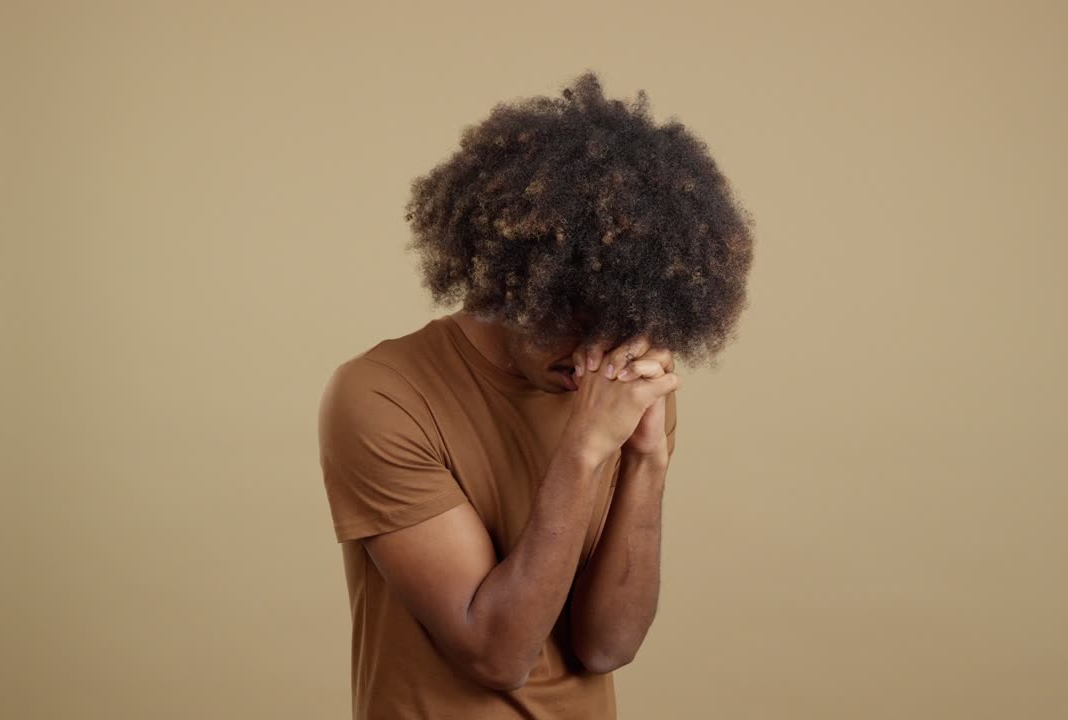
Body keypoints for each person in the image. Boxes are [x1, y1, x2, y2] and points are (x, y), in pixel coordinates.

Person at [317, 69, 755, 720]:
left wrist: (645, 461)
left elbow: (608, 646)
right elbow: (497, 653)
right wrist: (582, 452)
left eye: (621, 323)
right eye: (574, 316)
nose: (595, 354)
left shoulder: (625, 387)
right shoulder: (381, 395)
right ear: (515, 281)